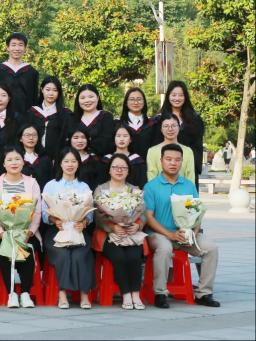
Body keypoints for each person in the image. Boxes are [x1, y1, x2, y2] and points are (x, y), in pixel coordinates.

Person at [144, 144, 220, 308]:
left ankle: (203, 293)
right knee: (164, 248)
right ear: (161, 161)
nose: (173, 163)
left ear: (182, 162)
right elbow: (149, 217)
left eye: (177, 160)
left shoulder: (188, 185)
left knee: (211, 248)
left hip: (186, 235)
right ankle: (160, 293)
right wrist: (170, 235)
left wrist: (194, 231)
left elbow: (197, 212)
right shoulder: (151, 186)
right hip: (160, 234)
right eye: (169, 159)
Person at [0, 148, 42, 309]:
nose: (14, 163)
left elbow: (37, 211)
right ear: (4, 164)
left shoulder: (32, 183)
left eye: (17, 159)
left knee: (27, 248)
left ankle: (25, 293)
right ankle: (11, 293)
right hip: (3, 233)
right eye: (9, 160)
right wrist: (1, 233)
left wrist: (29, 231)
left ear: (23, 162)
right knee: (5, 249)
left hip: (26, 231)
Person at [41, 148, 96, 309]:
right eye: (66, 161)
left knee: (81, 254)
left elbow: (90, 213)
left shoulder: (84, 186)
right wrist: (55, 220)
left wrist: (84, 222)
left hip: (78, 230)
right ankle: (62, 294)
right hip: (57, 230)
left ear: (79, 164)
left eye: (73, 161)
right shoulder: (51, 185)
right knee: (62, 254)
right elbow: (44, 212)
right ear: (60, 163)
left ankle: (84, 295)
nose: (70, 165)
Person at [94, 154, 147, 310]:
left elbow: (143, 213)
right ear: (109, 170)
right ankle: (126, 294)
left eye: (123, 167)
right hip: (108, 234)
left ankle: (135, 294)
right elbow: (97, 215)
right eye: (115, 167)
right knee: (119, 257)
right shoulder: (101, 189)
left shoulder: (135, 190)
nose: (119, 170)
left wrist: (138, 225)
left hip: (131, 233)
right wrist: (112, 227)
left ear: (128, 171)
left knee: (134, 257)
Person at [159, 81, 206, 178]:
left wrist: (191, 166)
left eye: (180, 95)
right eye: (173, 95)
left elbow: (198, 146)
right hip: (164, 170)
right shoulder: (159, 119)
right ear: (168, 96)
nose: (177, 98)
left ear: (185, 97)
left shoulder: (195, 119)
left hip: (188, 169)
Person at [0, 32, 39, 118]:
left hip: (25, 118)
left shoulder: (32, 72)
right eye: (13, 45)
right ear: (7, 48)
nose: (17, 48)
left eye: (20, 45)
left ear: (25, 48)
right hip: (0, 118)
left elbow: (34, 98)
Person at [29, 76, 72, 160]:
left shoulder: (66, 113)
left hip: (57, 159)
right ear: (42, 89)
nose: (51, 93)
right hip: (34, 159)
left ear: (59, 92)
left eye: (55, 90)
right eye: (48, 89)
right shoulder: (32, 112)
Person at [146, 114, 197, 183]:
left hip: (183, 189)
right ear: (161, 129)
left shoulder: (188, 151)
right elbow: (152, 178)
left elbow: (190, 177)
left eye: (173, 126)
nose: (170, 129)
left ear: (179, 127)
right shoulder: (152, 151)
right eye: (166, 126)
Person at [72, 85, 115, 157]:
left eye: (91, 97)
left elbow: (106, 144)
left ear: (97, 98)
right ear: (78, 100)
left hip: (101, 160)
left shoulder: (106, 117)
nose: (87, 100)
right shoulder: (73, 119)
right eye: (82, 98)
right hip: (76, 160)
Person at [120, 88, 157, 157]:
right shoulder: (118, 124)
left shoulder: (152, 124)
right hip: (124, 162)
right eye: (132, 99)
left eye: (139, 99)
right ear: (126, 103)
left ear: (144, 102)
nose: (136, 103)